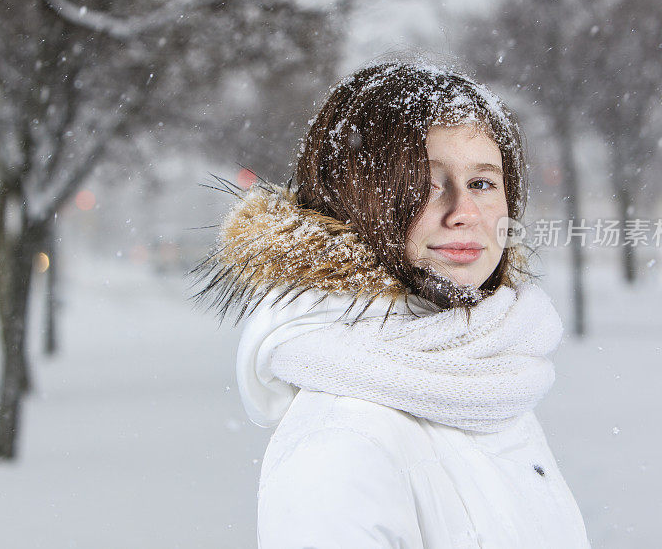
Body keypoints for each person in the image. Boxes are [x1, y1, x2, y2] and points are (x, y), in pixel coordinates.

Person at [189, 60, 592, 548]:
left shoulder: (485, 377)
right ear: (357, 198)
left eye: (483, 183)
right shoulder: (345, 441)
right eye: (425, 182)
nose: (464, 212)